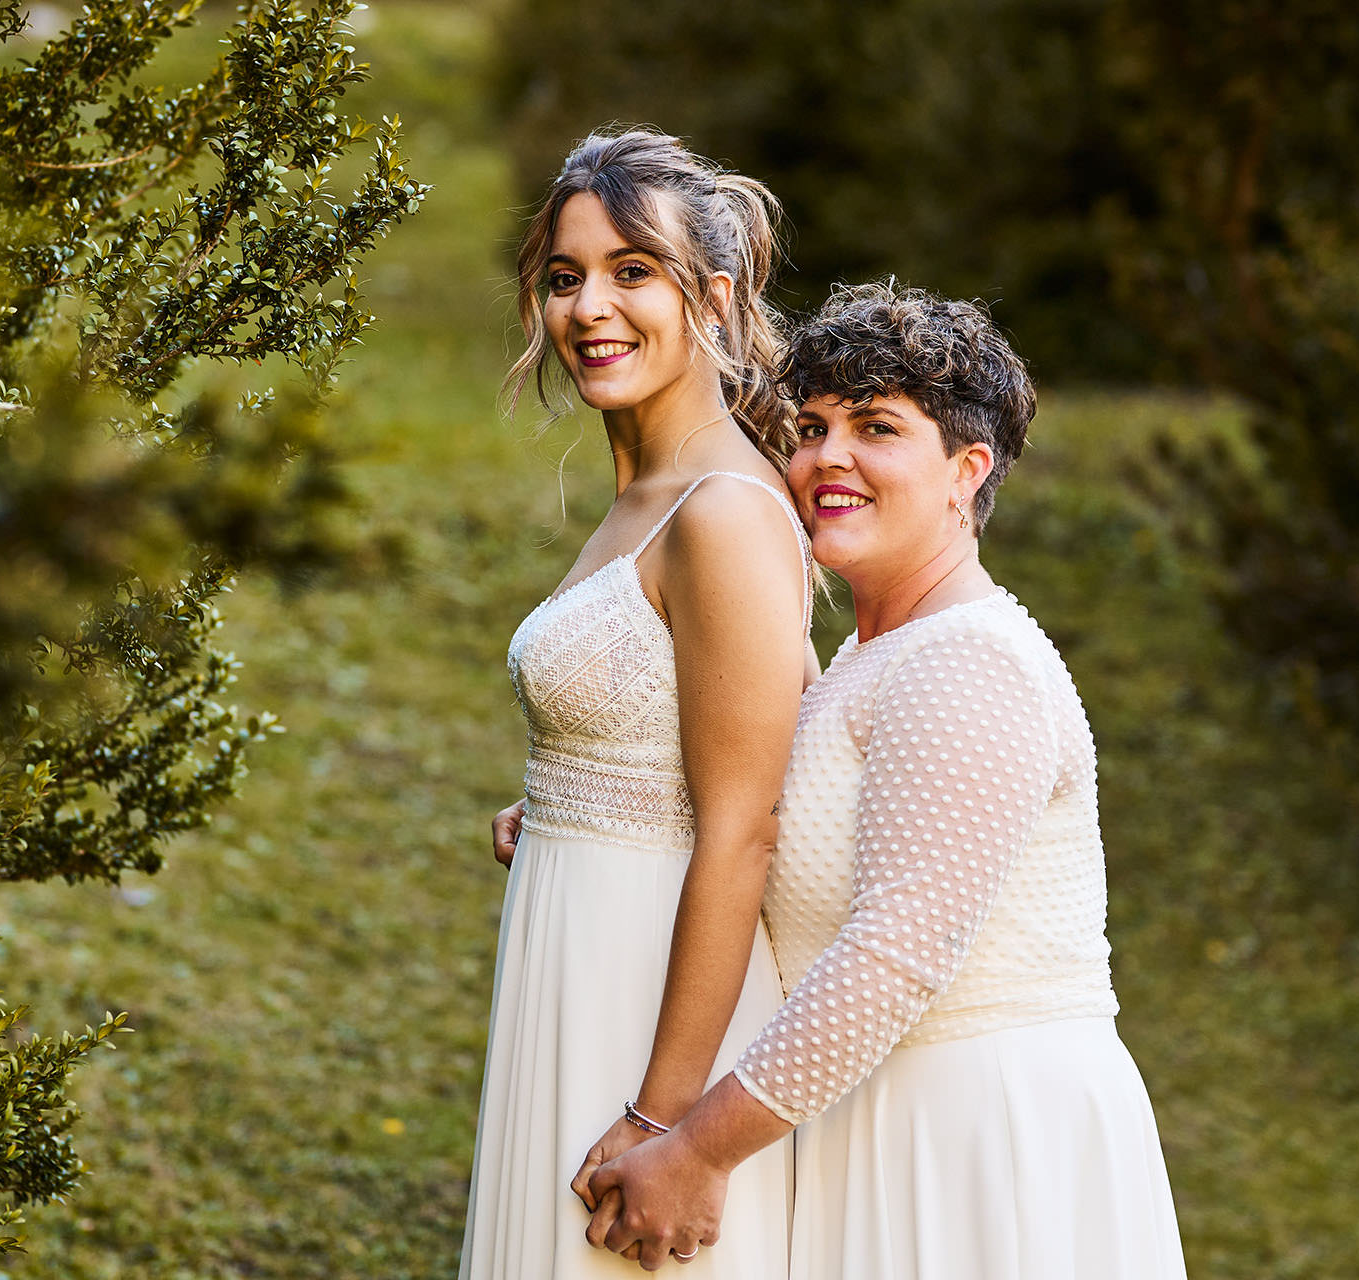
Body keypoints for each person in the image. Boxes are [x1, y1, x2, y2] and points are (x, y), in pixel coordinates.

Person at [577, 280, 1190, 1277]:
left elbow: (893, 954)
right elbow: (751, 806)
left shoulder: (970, 661)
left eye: (877, 428)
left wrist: (696, 1149)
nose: (828, 457)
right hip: (870, 1120)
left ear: (966, 472)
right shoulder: (869, 661)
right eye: (811, 427)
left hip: (980, 1138)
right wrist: (580, 810)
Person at [458, 130, 814, 1279]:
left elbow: (746, 824)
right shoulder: (645, 495)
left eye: (633, 271)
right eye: (566, 277)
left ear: (713, 298)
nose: (589, 307)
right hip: (573, 946)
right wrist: (565, 802)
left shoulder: (722, 509)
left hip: (652, 1002)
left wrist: (667, 1121)